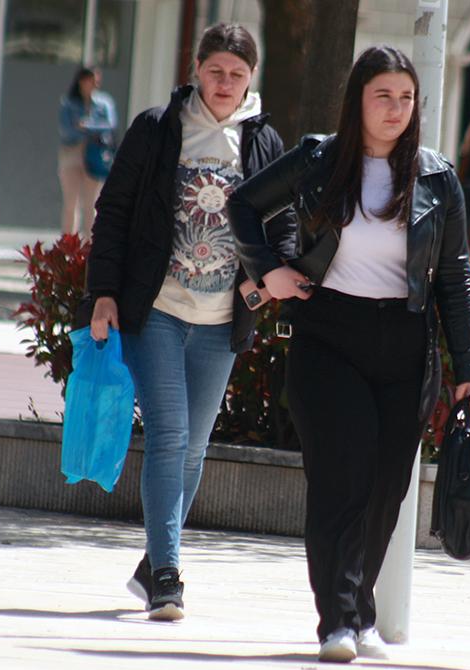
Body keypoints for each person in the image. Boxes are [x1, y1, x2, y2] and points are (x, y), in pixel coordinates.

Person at [228, 45, 470, 663]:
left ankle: (360, 610)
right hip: (328, 336)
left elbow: (455, 277)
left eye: (406, 98)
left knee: (385, 491)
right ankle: (337, 622)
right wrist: (268, 271)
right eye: (383, 96)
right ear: (358, 101)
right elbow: (243, 205)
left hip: (406, 344)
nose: (396, 109)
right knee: (341, 482)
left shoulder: (436, 177)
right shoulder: (319, 159)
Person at [86, 23, 295, 622]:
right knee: (170, 438)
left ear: (251, 78)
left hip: (222, 319)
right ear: (196, 69)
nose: (225, 83)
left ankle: (154, 559)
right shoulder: (157, 128)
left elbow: (283, 222)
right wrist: (103, 294)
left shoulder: (263, 142)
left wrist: (268, 279)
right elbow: (113, 213)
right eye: (215, 71)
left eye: (237, 74)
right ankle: (168, 578)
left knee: (195, 449)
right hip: (157, 309)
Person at [59, 66, 118, 237]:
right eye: (92, 80)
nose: (96, 84)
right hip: (71, 153)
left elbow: (110, 126)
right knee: (71, 204)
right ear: (82, 81)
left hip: (95, 155)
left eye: (98, 81)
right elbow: (66, 130)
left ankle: (89, 246)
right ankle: (68, 245)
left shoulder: (105, 102)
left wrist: (86, 126)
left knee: (92, 204)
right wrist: (87, 129)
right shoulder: (68, 103)